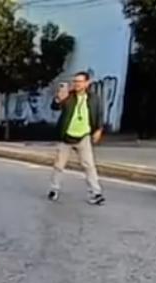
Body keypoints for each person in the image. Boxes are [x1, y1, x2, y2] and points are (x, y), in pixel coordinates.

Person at [48, 71, 105, 205]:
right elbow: (54, 107)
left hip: (83, 136)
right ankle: (54, 189)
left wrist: (99, 130)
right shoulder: (69, 96)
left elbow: (99, 114)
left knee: (89, 165)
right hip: (66, 136)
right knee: (59, 165)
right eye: (75, 81)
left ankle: (96, 193)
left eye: (79, 81)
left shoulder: (94, 99)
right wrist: (58, 98)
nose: (77, 84)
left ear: (87, 83)